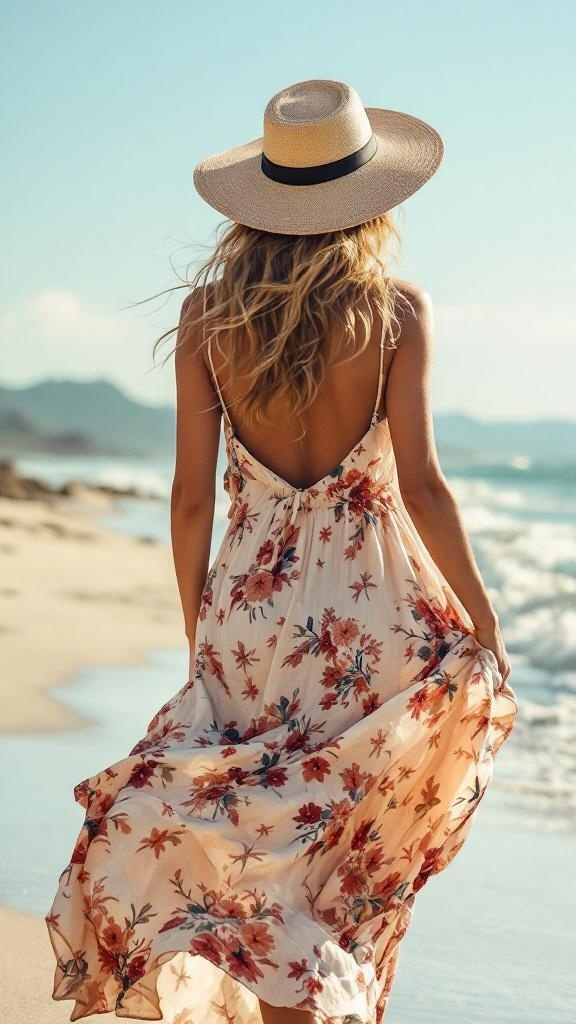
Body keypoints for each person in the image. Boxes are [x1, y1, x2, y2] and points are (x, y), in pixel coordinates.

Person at [45, 79, 519, 1024]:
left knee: (249, 832)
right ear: (370, 198)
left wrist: (199, 625)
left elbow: (189, 498)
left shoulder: (208, 317)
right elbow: (422, 486)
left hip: (248, 624)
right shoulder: (397, 313)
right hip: (375, 620)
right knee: (335, 850)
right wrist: (485, 620)